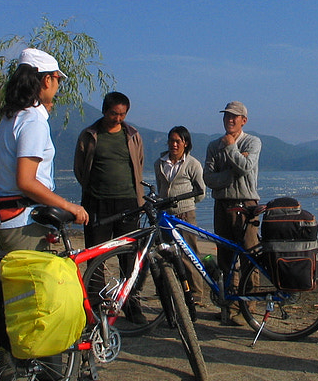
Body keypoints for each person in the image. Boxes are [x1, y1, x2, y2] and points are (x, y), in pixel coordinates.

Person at [0, 48, 88, 252]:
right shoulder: (32, 119)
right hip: (22, 222)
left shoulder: (11, 117)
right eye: (58, 79)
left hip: (5, 217)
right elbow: (26, 181)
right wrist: (69, 206)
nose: (58, 85)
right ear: (46, 80)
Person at [73, 91, 146, 321]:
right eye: (114, 113)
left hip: (128, 203)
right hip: (97, 203)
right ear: (105, 111)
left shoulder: (132, 135)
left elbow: (139, 163)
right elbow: (80, 168)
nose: (118, 118)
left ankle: (130, 303)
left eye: (123, 114)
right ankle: (95, 304)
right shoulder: (90, 135)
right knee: (95, 255)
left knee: (129, 257)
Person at [204, 101, 261, 324]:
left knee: (249, 255)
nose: (230, 119)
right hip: (222, 205)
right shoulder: (212, 146)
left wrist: (230, 149)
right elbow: (209, 178)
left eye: (234, 117)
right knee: (225, 258)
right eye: (227, 116)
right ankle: (230, 305)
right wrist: (233, 170)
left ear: (243, 120)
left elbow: (247, 168)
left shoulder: (253, 142)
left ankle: (249, 306)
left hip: (247, 205)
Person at [155, 126, 207, 303]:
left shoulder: (192, 164)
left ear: (186, 143)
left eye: (178, 141)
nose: (174, 144)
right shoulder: (159, 163)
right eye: (172, 140)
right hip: (165, 215)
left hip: (185, 214)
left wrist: (187, 204)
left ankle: (197, 292)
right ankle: (173, 290)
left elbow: (201, 192)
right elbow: (160, 186)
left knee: (189, 253)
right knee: (166, 252)